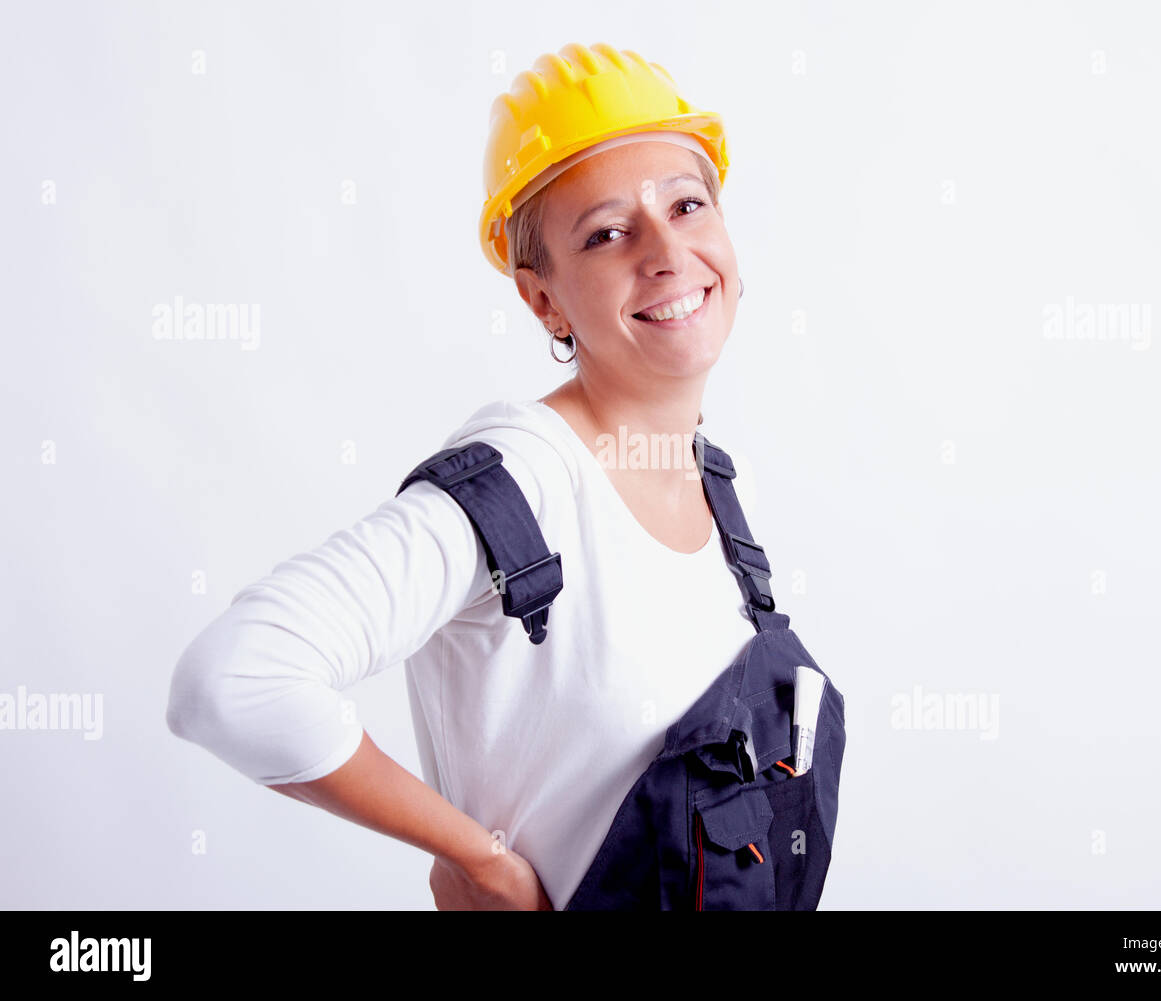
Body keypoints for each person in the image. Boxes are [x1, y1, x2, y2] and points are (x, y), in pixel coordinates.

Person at [166, 42, 756, 911]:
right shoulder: (520, 483)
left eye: (686, 204)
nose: (666, 250)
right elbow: (233, 679)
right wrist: (477, 859)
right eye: (606, 232)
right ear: (542, 299)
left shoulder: (715, 486)